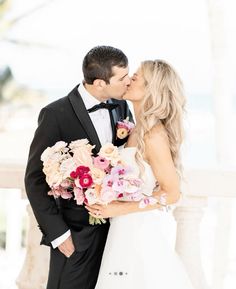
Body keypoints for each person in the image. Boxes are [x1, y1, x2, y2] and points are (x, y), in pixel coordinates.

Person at [24, 45, 132, 289]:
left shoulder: (123, 108)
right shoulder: (55, 114)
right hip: (75, 235)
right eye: (122, 77)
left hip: (116, 234)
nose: (129, 81)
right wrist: (59, 233)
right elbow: (34, 180)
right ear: (100, 83)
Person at [86, 60, 194, 288]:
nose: (128, 79)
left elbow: (172, 194)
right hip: (122, 229)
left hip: (138, 232)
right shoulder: (135, 130)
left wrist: (118, 208)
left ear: (150, 89)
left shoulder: (153, 135)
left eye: (135, 77)